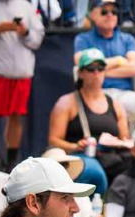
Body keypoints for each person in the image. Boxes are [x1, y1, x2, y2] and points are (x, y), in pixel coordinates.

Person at [0, 0, 45, 171]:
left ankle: (11, 163)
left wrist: (25, 32)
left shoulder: (25, 6)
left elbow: (38, 39)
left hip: (21, 72)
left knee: (17, 116)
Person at [46, 48, 127, 194]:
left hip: (112, 158)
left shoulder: (116, 104)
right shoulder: (67, 103)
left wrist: (118, 142)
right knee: (94, 173)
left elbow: (125, 139)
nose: (96, 73)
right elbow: (53, 140)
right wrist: (75, 146)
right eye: (91, 69)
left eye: (100, 68)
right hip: (82, 158)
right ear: (81, 73)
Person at [73, 0, 135, 119]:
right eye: (104, 12)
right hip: (94, 94)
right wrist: (119, 61)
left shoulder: (127, 39)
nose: (110, 15)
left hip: (124, 93)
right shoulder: (82, 39)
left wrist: (97, 71)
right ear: (92, 14)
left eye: (114, 12)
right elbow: (81, 63)